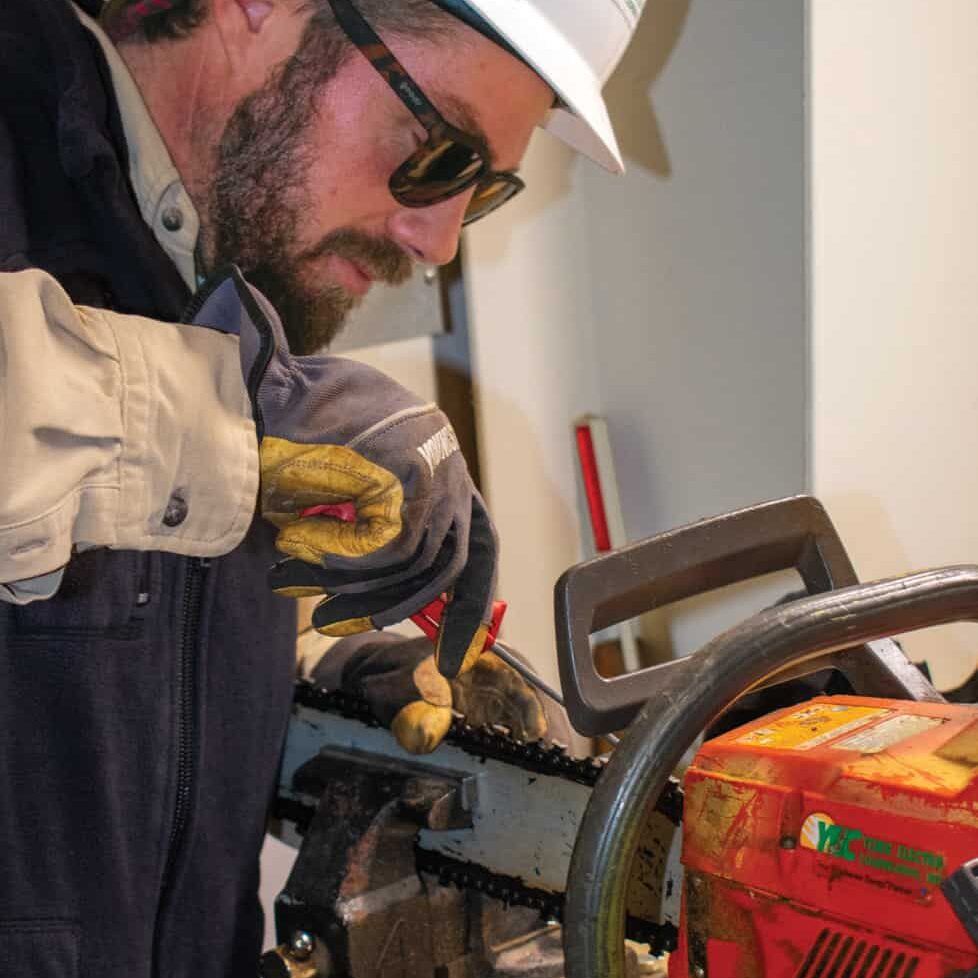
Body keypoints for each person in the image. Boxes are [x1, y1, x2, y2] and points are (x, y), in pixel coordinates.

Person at [0, 0, 644, 973]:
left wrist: (325, 703)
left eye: (484, 189)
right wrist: (239, 423)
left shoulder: (219, 260)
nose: (438, 241)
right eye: (438, 150)